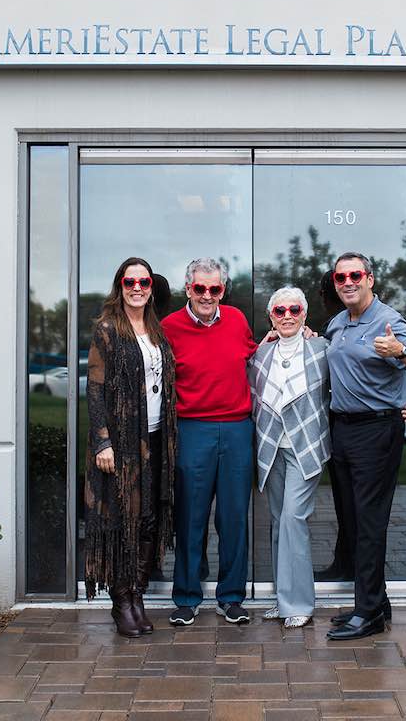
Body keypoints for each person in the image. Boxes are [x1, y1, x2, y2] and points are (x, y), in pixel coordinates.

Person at [324, 252, 406, 641]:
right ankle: (375, 603)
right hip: (343, 429)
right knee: (352, 520)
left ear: (370, 278)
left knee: (370, 522)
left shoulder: (389, 320)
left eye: (355, 275)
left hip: (376, 430)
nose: (348, 282)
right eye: (341, 277)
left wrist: (400, 353)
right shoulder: (338, 323)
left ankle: (368, 614)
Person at [83, 257, 177, 638]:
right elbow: (95, 388)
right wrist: (102, 441)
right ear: (119, 285)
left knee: (149, 519)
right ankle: (121, 600)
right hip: (121, 444)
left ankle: (137, 594)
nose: (137, 287)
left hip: (156, 437)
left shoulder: (156, 330)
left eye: (143, 281)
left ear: (151, 286)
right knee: (124, 519)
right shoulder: (107, 329)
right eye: (129, 281)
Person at [162, 257, 258, 625]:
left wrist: (304, 334)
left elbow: (256, 353)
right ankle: (186, 598)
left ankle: (231, 597)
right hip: (192, 429)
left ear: (222, 290)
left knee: (234, 517)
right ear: (188, 288)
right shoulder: (169, 327)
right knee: (190, 516)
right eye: (199, 288)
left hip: (236, 428)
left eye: (214, 288)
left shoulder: (235, 319)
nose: (206, 295)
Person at [248, 286, 330, 628]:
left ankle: (299, 604)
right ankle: (284, 599)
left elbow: (355, 374)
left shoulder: (321, 349)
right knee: (280, 521)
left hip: (305, 447)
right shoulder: (261, 354)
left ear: (304, 314)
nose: (287, 316)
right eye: (279, 311)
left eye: (294, 310)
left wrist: (396, 402)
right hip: (273, 447)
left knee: (294, 519)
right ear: (271, 317)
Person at [312, 270, 354, 582]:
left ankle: (352, 566)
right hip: (336, 424)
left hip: (357, 427)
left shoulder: (358, 324)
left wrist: (397, 405)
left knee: (354, 502)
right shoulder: (334, 328)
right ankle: (346, 562)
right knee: (343, 498)